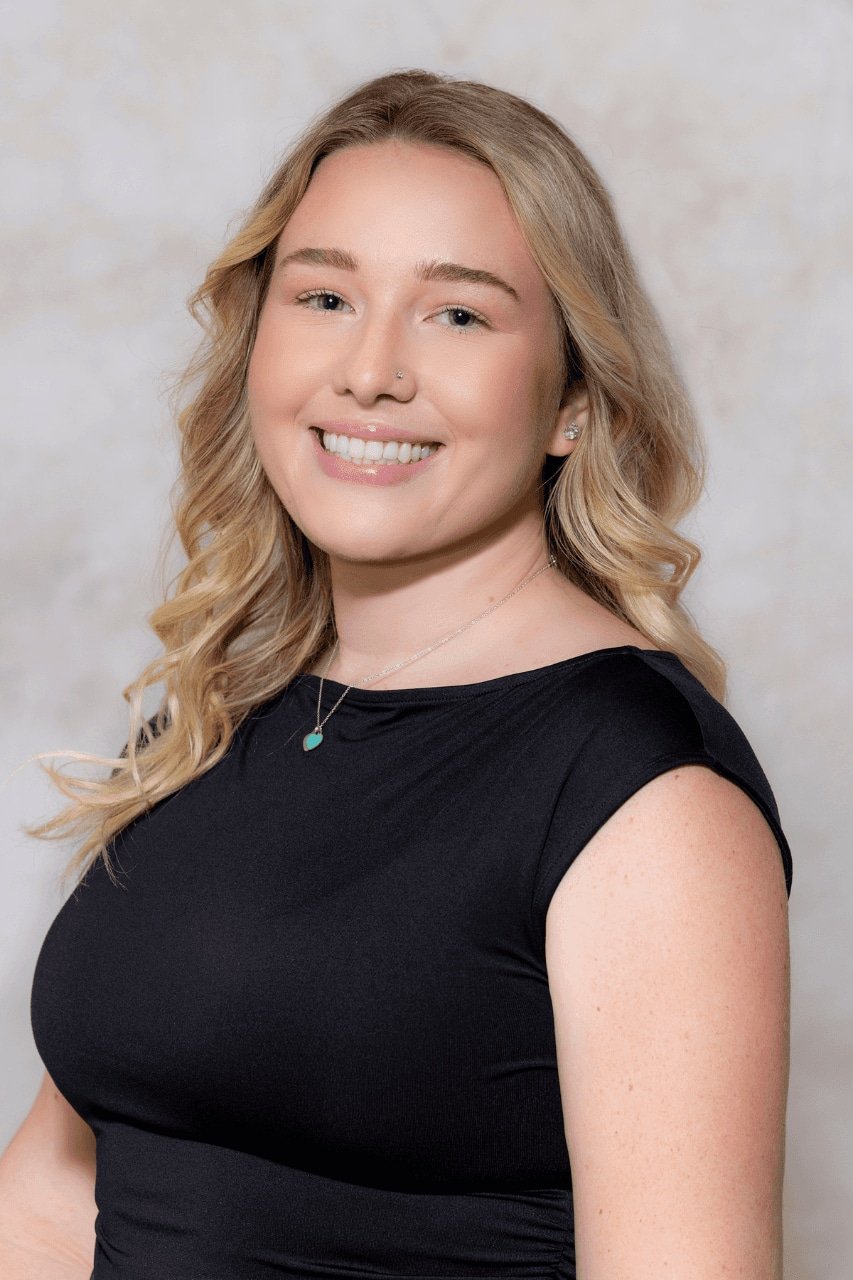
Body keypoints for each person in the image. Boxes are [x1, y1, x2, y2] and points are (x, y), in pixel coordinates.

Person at [1, 69, 792, 1279]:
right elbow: (58, 1193)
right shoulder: (227, 698)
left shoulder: (644, 795)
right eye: (324, 295)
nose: (369, 370)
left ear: (573, 400)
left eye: (457, 315)